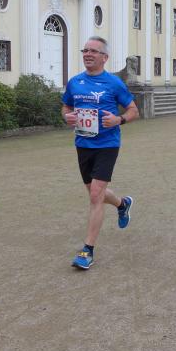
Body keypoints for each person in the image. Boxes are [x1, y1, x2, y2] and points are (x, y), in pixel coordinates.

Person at [61, 36, 140, 270]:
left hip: (107, 144)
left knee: (96, 195)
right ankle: (122, 204)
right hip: (83, 144)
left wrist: (119, 119)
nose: (87, 54)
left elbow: (133, 110)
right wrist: (67, 116)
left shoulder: (114, 83)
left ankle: (87, 250)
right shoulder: (75, 82)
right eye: (85, 50)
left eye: (93, 51)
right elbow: (66, 106)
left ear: (104, 57)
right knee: (95, 192)